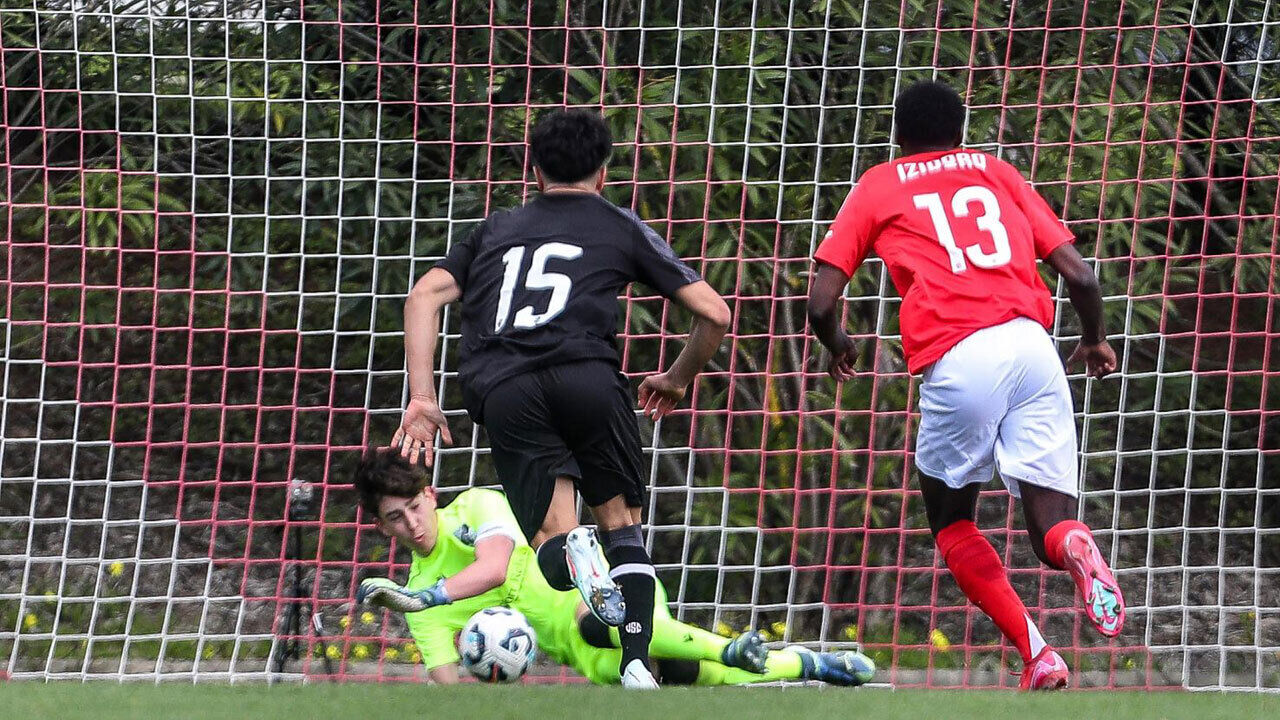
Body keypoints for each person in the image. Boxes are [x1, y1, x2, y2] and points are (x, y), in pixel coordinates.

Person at [392, 109, 732, 687]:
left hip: (505, 386)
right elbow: (716, 314)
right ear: (603, 173)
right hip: (588, 378)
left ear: (534, 170)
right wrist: (676, 377)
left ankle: (576, 552)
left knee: (555, 539)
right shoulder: (618, 225)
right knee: (624, 529)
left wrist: (423, 397)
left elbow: (424, 295)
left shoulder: (494, 230)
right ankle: (634, 665)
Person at [805, 81, 1126, 690]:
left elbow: (821, 302)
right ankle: (1078, 546)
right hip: (1034, 347)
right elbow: (1081, 275)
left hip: (959, 355)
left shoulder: (881, 182)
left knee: (951, 519)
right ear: (960, 130)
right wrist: (1094, 339)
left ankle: (1039, 654)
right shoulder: (997, 171)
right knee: (1049, 523)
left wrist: (839, 345)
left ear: (899, 135)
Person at [352, 450, 876, 687]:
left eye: (415, 507)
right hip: (577, 654)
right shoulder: (417, 597)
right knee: (684, 677)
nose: (412, 524)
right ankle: (807, 665)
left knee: (602, 625)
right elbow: (448, 685)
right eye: (395, 519)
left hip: (594, 592)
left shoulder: (475, 506)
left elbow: (493, 567)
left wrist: (429, 597)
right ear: (382, 527)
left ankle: (733, 647)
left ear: (429, 494)